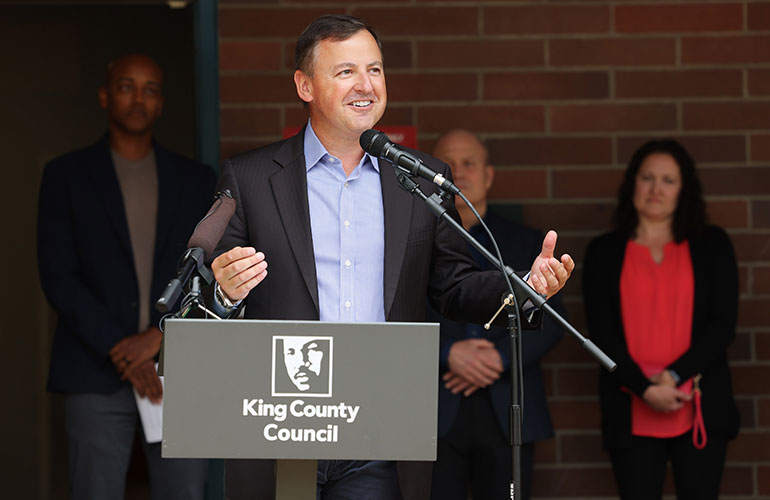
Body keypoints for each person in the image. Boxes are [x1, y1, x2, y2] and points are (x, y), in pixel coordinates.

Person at [210, 14, 574, 500]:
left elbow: (452, 286)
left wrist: (524, 286)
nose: (366, 85)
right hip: (286, 419)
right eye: (345, 72)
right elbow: (203, 303)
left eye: (375, 70)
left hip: (378, 427)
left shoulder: (423, 178)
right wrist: (223, 289)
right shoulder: (251, 177)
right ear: (305, 85)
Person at [37, 54, 216, 499]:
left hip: (179, 368)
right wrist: (123, 348)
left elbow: (211, 271)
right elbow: (59, 276)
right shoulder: (65, 176)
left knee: (185, 493)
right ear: (104, 96)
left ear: (161, 104)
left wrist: (159, 339)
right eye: (126, 86)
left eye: (151, 89)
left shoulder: (196, 180)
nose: (139, 98)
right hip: (95, 368)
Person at [582, 139, 740, 500]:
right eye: (647, 177)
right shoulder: (604, 252)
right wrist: (645, 388)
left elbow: (723, 326)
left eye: (668, 180)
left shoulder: (712, 245)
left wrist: (672, 376)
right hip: (631, 405)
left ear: (684, 188)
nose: (656, 189)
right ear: (632, 183)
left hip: (697, 403)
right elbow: (601, 334)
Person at [426, 130, 565, 500]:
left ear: (489, 175)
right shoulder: (413, 241)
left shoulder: (527, 242)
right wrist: (447, 353)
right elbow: (395, 312)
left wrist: (498, 357)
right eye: (449, 165)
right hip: (434, 405)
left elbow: (552, 320)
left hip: (509, 403)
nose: (461, 172)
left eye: (470, 163)